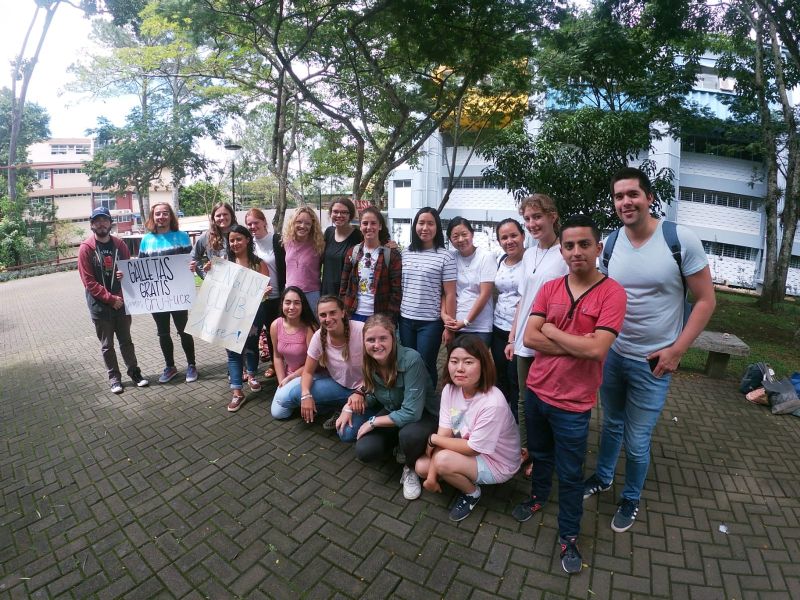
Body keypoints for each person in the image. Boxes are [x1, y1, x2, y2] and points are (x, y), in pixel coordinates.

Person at [584, 167, 716, 534]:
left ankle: (631, 496)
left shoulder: (679, 239)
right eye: (618, 196)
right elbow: (605, 294)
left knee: (637, 438)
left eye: (633, 194)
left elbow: (706, 301)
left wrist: (677, 351)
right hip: (614, 354)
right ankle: (603, 477)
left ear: (649, 198)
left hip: (654, 361)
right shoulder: (611, 243)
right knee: (611, 423)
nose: (625, 202)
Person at [512, 215, 627, 574]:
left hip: (574, 404)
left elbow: (597, 350)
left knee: (571, 472)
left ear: (598, 248)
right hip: (537, 391)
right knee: (540, 455)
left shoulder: (613, 293)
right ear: (561, 250)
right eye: (569, 245)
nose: (576, 251)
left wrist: (553, 332)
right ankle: (537, 497)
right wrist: (579, 343)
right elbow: (530, 337)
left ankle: (569, 535)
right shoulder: (550, 288)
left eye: (584, 244)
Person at [414, 335, 519, 522]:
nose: (459, 368)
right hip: (469, 446)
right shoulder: (450, 389)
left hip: (498, 462)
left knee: (442, 461)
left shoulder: (493, 402)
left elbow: (472, 448)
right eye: (454, 361)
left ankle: (472, 493)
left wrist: (433, 440)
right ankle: (455, 473)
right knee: (422, 467)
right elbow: (445, 433)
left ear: (483, 365)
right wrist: (431, 477)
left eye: (468, 362)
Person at [335, 314, 439, 500]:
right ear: (364, 342)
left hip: (423, 415)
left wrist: (373, 422)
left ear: (393, 338)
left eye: (383, 338)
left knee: (410, 435)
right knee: (365, 450)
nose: (377, 345)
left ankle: (410, 466)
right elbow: (374, 396)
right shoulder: (369, 362)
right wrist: (349, 407)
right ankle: (401, 446)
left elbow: (412, 412)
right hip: (394, 410)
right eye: (371, 340)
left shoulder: (411, 359)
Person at [505, 194, 568, 471]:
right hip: (523, 339)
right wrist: (512, 337)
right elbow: (523, 299)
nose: (531, 224)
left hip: (548, 339)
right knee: (523, 398)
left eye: (537, 217)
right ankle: (526, 449)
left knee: (548, 400)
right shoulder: (529, 253)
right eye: (528, 219)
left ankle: (545, 455)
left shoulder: (565, 253)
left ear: (552, 216)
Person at [77, 206, 149, 394]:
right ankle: (114, 379)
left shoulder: (120, 245)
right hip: (100, 307)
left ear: (110, 223)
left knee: (126, 342)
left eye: (104, 220)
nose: (101, 224)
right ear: (92, 224)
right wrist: (110, 299)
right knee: (107, 346)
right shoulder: (86, 248)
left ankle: (135, 373)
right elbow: (88, 281)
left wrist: (122, 289)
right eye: (97, 221)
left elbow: (129, 273)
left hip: (122, 304)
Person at [271, 296, 365, 429]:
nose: (328, 318)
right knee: (296, 394)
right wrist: (306, 395)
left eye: (333, 313)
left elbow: (379, 369)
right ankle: (336, 407)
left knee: (346, 433)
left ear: (343, 312)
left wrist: (361, 392)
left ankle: (347, 408)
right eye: (323, 315)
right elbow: (308, 372)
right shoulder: (319, 336)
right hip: (340, 386)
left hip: (366, 389)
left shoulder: (361, 330)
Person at [208, 224, 271, 413]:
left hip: (254, 313)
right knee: (233, 352)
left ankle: (251, 375)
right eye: (232, 240)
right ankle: (237, 391)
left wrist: (264, 292)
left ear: (247, 240)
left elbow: (265, 290)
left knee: (251, 347)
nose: (235, 243)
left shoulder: (259, 264)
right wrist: (209, 272)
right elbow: (213, 288)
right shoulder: (224, 264)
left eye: (238, 239)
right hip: (230, 315)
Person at [138, 202, 198, 384]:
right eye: (158, 214)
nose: (161, 217)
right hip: (158, 296)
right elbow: (141, 268)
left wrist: (193, 266)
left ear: (171, 216)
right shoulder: (146, 240)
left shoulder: (182, 237)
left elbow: (191, 261)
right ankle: (170, 366)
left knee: (184, 331)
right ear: (152, 217)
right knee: (163, 333)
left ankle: (192, 365)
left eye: (165, 213)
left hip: (178, 294)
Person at [399, 207, 457, 387]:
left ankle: (429, 401)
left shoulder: (445, 257)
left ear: (437, 227)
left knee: (425, 364)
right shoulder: (405, 253)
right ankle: (412, 399)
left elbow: (450, 293)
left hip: (430, 322)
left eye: (430, 223)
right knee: (408, 363)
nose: (425, 228)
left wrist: (449, 327)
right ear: (415, 226)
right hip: (405, 320)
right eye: (421, 223)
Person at [339, 207, 402, 322]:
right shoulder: (353, 252)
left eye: (373, 223)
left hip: (380, 316)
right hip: (354, 314)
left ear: (380, 226)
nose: (369, 227)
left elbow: (397, 292)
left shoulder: (391, 255)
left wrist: (389, 318)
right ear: (360, 226)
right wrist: (344, 309)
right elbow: (343, 286)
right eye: (365, 223)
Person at [246, 208, 286, 378]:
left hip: (277, 295)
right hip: (256, 298)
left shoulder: (277, 240)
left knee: (275, 332)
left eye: (256, 222)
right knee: (257, 333)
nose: (253, 226)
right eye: (249, 224)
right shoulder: (248, 243)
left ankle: (279, 364)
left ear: (264, 222)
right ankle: (258, 365)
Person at [444, 217, 496, 346]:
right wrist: (445, 317)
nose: (461, 239)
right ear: (450, 239)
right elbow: (446, 292)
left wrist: (466, 322)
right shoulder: (450, 258)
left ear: (472, 234)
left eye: (464, 234)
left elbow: (485, 294)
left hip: (480, 327)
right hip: (455, 325)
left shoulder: (486, 257)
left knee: (477, 358)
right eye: (455, 236)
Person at [491, 218, 526, 410]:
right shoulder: (500, 260)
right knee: (501, 376)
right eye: (504, 238)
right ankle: (501, 417)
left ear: (523, 236)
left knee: (516, 379)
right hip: (498, 328)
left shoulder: (531, 261)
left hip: (521, 331)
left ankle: (516, 420)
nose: (509, 241)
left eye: (514, 235)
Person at [269, 286, 318, 391]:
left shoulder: (310, 328)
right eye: (287, 302)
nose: (291, 307)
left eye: (296, 303)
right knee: (280, 398)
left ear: (302, 305)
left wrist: (291, 378)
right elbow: (277, 357)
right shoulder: (275, 325)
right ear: (282, 304)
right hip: (289, 376)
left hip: (310, 375)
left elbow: (314, 363)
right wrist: (281, 382)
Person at [283, 207, 324, 314]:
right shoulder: (286, 242)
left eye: (307, 223)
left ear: (312, 225)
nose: (302, 226)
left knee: (313, 323)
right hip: (291, 293)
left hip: (311, 294)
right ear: (293, 223)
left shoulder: (319, 244)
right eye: (299, 222)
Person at [321, 198, 362, 296]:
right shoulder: (328, 232)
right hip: (327, 290)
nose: (339, 215)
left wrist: (388, 244)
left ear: (350, 215)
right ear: (331, 213)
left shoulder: (359, 236)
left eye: (344, 212)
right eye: (335, 212)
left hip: (346, 292)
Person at [190, 201, 236, 279]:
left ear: (231, 215)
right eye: (218, 215)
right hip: (217, 281)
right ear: (213, 218)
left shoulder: (241, 233)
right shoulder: (206, 236)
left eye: (225, 214)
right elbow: (194, 257)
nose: (222, 218)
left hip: (239, 280)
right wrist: (204, 275)